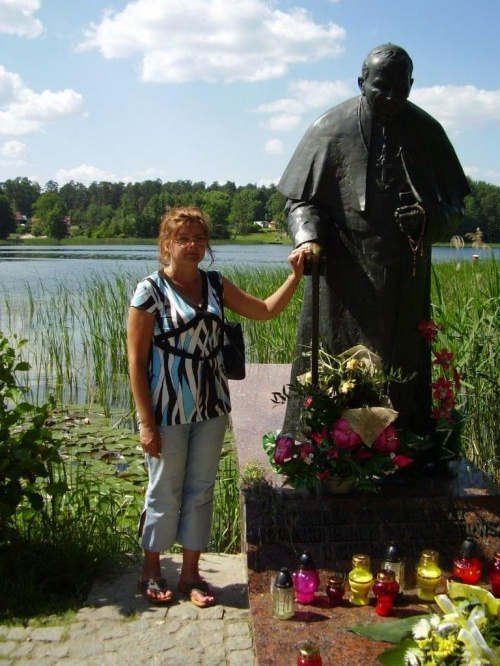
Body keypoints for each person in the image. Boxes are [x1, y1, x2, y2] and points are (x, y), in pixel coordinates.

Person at [278, 43, 470, 441]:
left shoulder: (428, 132)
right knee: (334, 364)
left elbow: (454, 209)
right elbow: (300, 200)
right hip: (343, 270)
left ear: (412, 85)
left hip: (404, 274)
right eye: (382, 88)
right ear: (362, 81)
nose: (391, 98)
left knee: (401, 368)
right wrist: (308, 238)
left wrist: (428, 219)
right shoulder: (330, 128)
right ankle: (324, 444)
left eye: (401, 89)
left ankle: (404, 446)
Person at [127, 206, 308, 606]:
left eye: (198, 238)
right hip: (167, 410)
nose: (192, 245)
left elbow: (264, 310)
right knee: (163, 491)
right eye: (183, 238)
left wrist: (295, 277)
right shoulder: (150, 291)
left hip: (212, 408)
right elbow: (136, 363)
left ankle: (192, 575)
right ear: (167, 244)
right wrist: (145, 422)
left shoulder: (214, 284)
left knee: (200, 490)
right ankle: (152, 571)